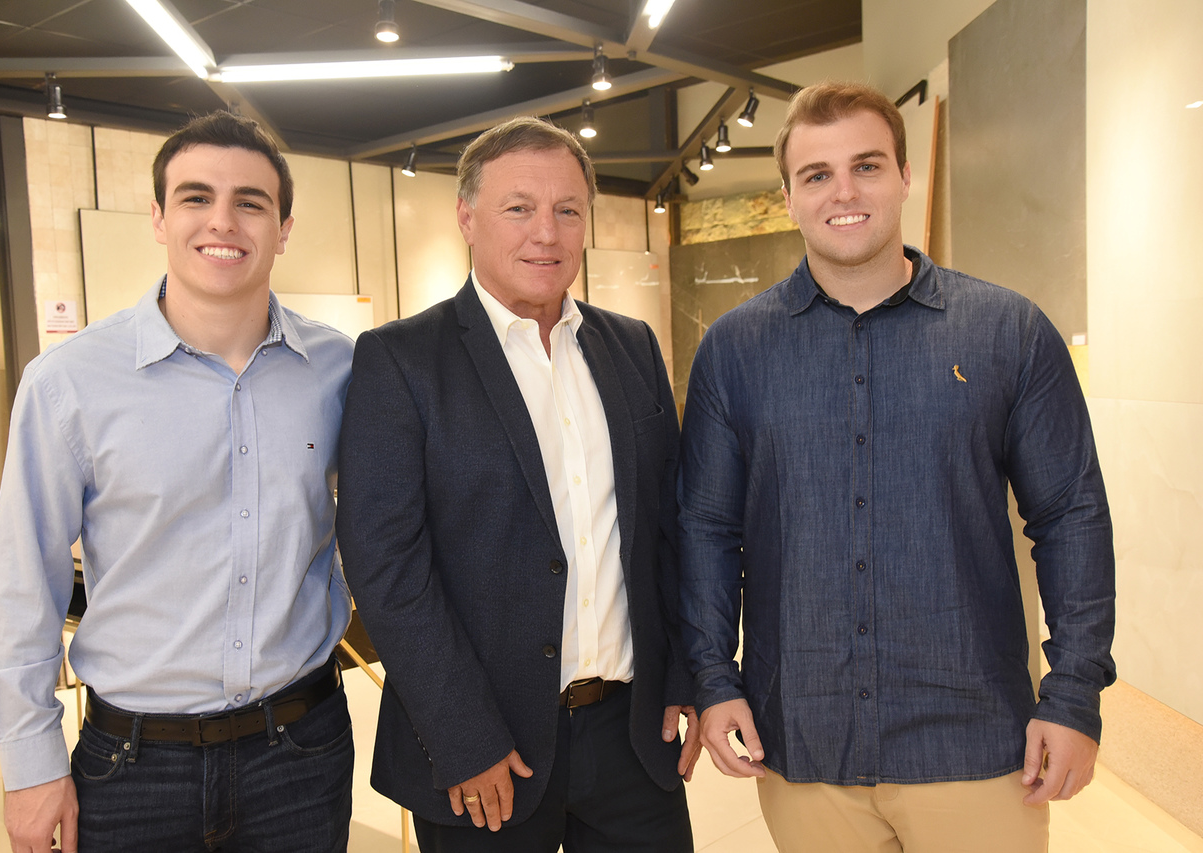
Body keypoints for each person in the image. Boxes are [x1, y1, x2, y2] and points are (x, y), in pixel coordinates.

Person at [677, 81, 1116, 853]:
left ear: (906, 177)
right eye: (817, 175)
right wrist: (715, 678)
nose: (843, 192)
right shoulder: (735, 351)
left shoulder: (1006, 332)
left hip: (977, 742)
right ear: (788, 197)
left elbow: (1071, 514)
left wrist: (1074, 693)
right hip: (804, 742)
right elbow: (709, 530)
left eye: (867, 166)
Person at [0, 110, 355, 853]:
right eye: (195, 197)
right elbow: (24, 581)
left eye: (251, 201)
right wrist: (28, 764)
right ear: (157, 217)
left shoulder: (339, 371)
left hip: (302, 756)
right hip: (133, 767)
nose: (223, 221)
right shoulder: (68, 384)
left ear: (284, 226)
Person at [337, 116, 699, 852]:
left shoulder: (630, 346)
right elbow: (387, 567)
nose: (548, 231)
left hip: (632, 740)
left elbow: (670, 527)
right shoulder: (401, 360)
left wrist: (689, 670)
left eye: (568, 210)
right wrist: (462, 736)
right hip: (487, 751)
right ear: (467, 217)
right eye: (519, 207)